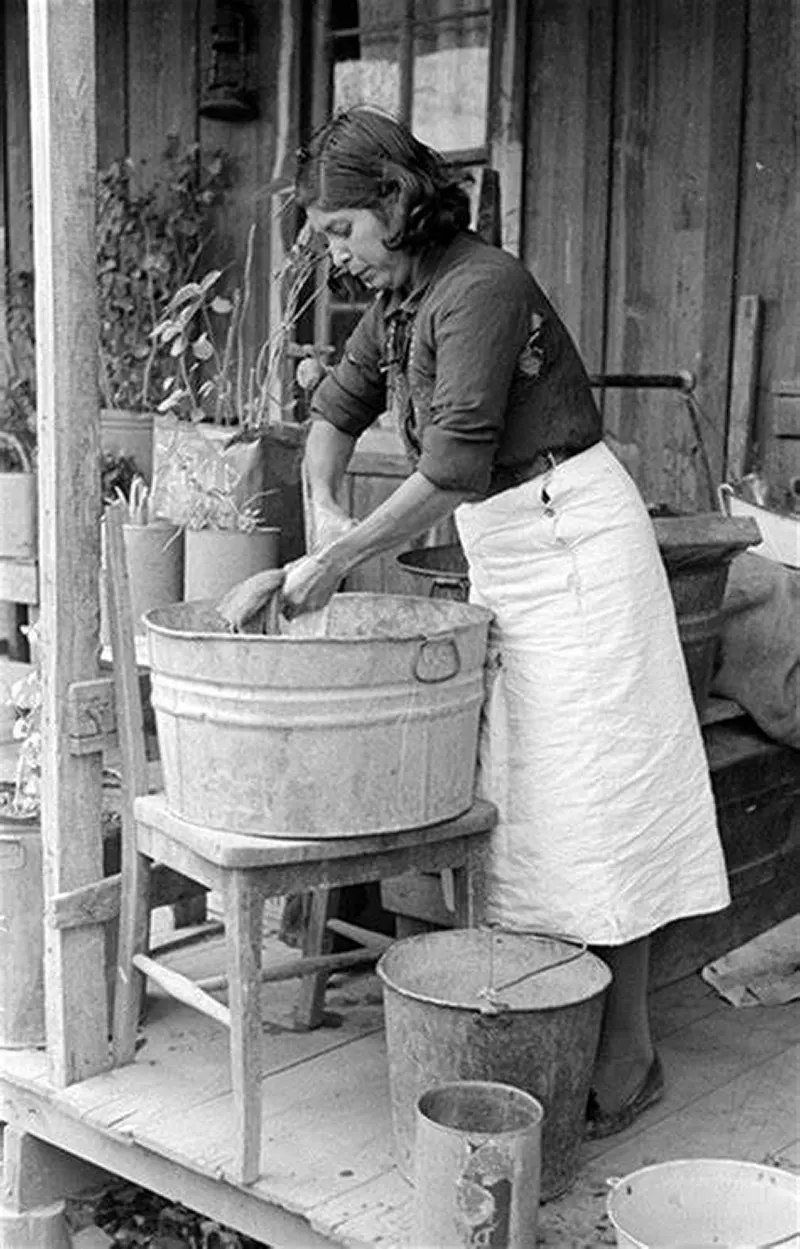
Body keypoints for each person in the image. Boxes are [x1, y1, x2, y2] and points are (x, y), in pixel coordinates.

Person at [219, 107, 730, 1137]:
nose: (342, 258)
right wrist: (321, 507)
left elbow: (450, 466)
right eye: (327, 241)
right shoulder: (405, 294)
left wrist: (331, 562)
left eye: (347, 235)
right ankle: (545, 1031)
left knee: (596, 812)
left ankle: (624, 1062)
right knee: (524, 807)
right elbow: (338, 408)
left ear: (397, 207)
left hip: (574, 550)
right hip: (507, 550)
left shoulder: (482, 288)